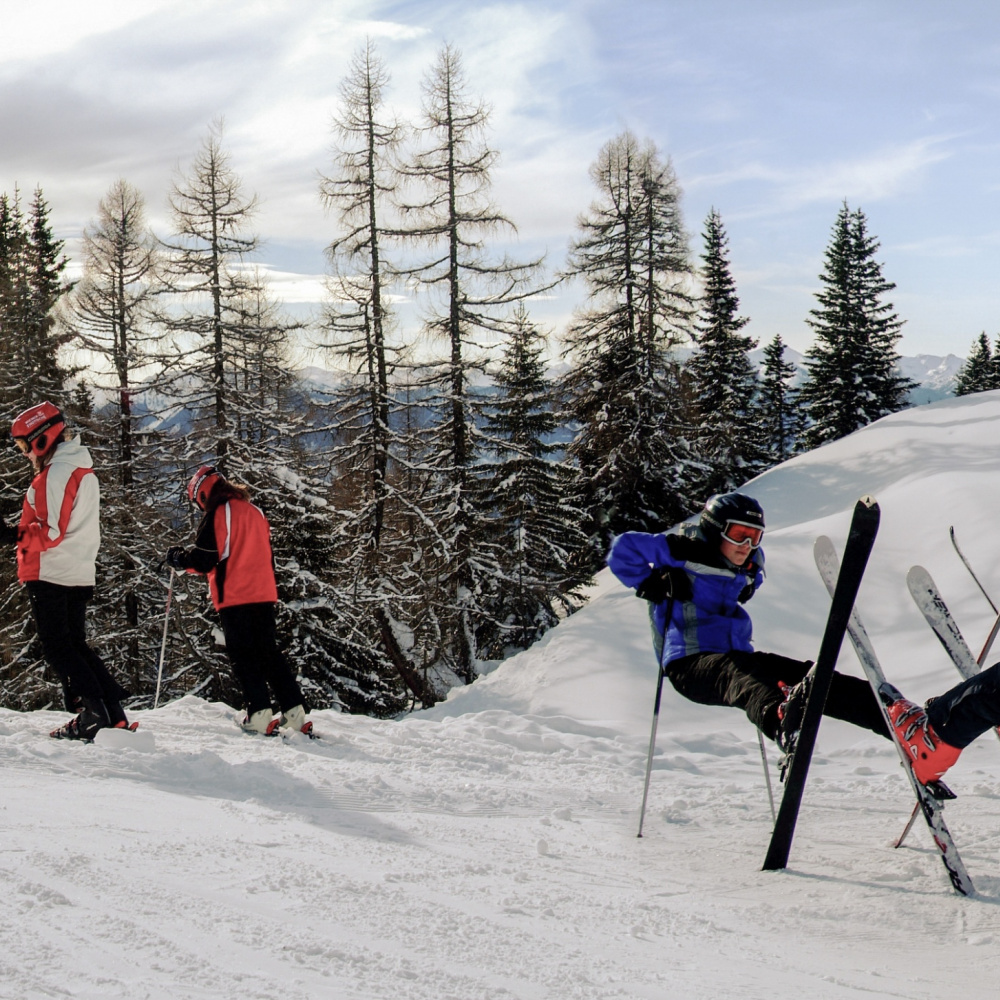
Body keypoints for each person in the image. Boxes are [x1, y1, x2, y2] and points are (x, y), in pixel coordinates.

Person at [607, 492, 890, 758]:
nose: (748, 546)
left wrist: (748, 583)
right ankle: (778, 717)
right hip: (690, 664)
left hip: (737, 656)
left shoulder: (749, 562)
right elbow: (623, 549)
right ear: (715, 530)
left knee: (813, 679)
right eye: (739, 535)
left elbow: (754, 574)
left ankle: (899, 719)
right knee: (745, 678)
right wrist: (651, 584)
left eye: (755, 537)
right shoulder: (684, 550)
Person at [6, 401, 132, 740]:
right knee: (75, 644)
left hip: (51, 571)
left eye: (23, 445)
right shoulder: (79, 468)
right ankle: (112, 715)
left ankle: (95, 713)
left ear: (40, 438)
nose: (25, 454)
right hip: (74, 569)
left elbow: (49, 531)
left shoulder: (58, 472)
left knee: (58, 647)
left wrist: (10, 534)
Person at [164, 465, 311, 737]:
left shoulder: (217, 514)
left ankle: (259, 713)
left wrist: (180, 560)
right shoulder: (254, 511)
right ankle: (295, 712)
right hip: (263, 591)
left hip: (235, 593)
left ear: (203, 494)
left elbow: (206, 558)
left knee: (243, 655)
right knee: (268, 652)